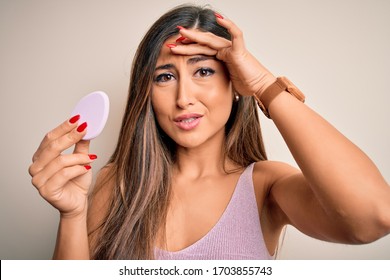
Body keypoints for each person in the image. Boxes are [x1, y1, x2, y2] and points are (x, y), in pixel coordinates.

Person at [28, 4, 390, 260]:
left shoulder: (266, 187)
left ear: (234, 82)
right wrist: (72, 216)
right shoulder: (117, 185)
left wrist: (264, 83)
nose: (184, 98)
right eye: (165, 77)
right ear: (147, 92)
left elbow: (374, 216)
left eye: (203, 71)